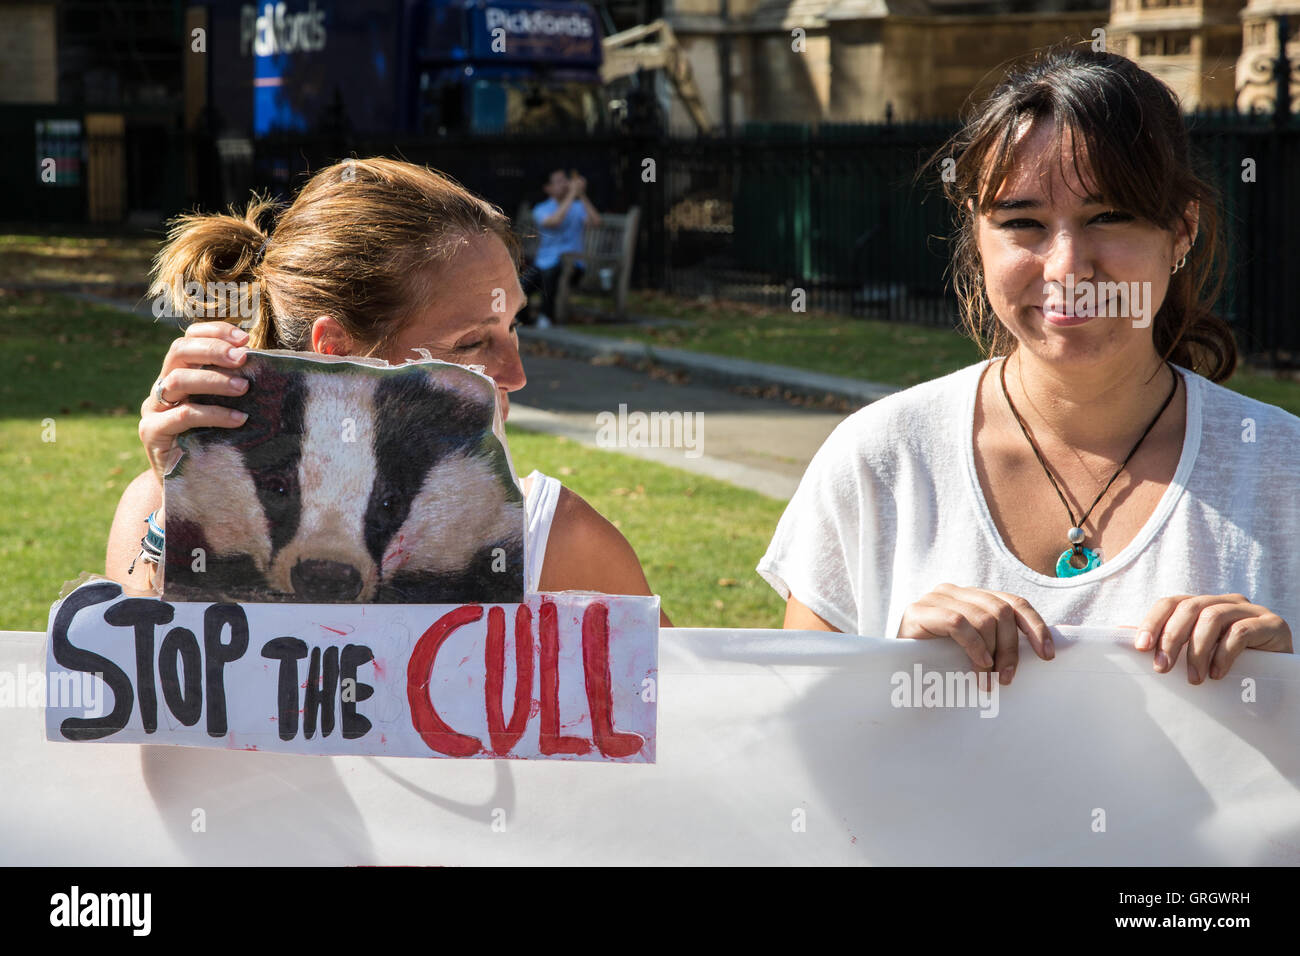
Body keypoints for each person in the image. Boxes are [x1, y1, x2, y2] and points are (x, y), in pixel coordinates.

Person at [758, 47, 1296, 684]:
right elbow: (801, 750)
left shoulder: (1282, 470)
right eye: (1023, 222)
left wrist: (1282, 689)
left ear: (1182, 230)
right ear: (978, 237)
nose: (1067, 267)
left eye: (1108, 217)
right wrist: (892, 670)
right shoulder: (880, 458)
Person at [105, 157, 670, 627]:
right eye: (472, 341)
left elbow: (693, 729)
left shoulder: (558, 543)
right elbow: (152, 746)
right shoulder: (152, 508)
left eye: (512, 325)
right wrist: (181, 510)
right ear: (340, 355)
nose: (516, 373)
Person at [524, 168, 601, 327]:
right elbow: (554, 222)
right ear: (548, 188)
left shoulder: (579, 207)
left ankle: (546, 316)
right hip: (544, 263)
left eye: (565, 180)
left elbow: (596, 222)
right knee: (523, 284)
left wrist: (582, 195)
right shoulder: (541, 209)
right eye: (559, 181)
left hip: (573, 266)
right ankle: (524, 320)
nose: (565, 184)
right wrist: (572, 195)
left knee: (553, 273)